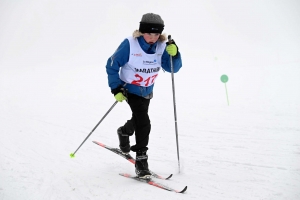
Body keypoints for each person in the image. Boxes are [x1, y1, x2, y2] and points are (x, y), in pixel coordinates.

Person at [106, 13, 182, 179]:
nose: (152, 38)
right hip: (129, 89)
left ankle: (124, 132)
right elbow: (111, 64)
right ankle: (141, 161)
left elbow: (172, 69)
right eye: (149, 33)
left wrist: (175, 54)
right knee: (144, 121)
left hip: (147, 90)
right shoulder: (130, 44)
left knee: (139, 118)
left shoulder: (163, 45)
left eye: (156, 34)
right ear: (141, 31)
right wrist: (116, 89)